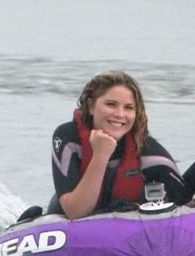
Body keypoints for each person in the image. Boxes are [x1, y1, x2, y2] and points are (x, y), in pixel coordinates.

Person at [49, 71, 187, 219]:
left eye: (128, 107)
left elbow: (185, 203)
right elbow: (75, 212)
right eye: (111, 104)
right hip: (67, 229)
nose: (120, 114)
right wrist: (101, 155)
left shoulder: (149, 152)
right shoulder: (68, 138)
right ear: (90, 106)